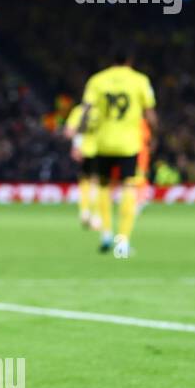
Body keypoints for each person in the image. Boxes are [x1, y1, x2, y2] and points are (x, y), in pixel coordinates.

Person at [78, 47, 157, 258]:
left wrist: (80, 137)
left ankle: (105, 234)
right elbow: (150, 114)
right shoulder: (139, 80)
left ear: (111, 60)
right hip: (129, 144)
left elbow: (85, 110)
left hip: (103, 143)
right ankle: (122, 242)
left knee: (103, 187)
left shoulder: (97, 80)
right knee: (128, 189)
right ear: (130, 60)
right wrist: (155, 136)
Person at [63, 100, 100, 230]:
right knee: (97, 182)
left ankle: (85, 212)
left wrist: (76, 145)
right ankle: (95, 215)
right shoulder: (103, 110)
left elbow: (68, 131)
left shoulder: (79, 110)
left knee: (84, 181)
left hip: (82, 151)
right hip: (99, 151)